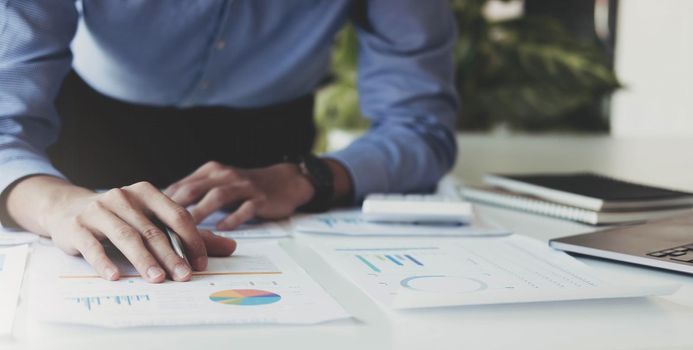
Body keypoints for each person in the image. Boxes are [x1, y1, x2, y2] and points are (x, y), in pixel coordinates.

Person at [0, 1, 458, 283]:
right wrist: (55, 204)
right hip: (88, 134)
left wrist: (313, 177)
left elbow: (420, 127)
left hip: (272, 161)